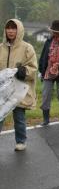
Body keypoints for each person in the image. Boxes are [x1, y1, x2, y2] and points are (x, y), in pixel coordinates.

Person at [0, 19, 37, 151]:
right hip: (3, 90)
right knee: (0, 115)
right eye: (8, 28)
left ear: (19, 30)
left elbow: (33, 69)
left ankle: (21, 141)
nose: (10, 31)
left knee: (19, 115)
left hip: (18, 89)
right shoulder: (1, 48)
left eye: (13, 28)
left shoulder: (27, 48)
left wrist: (24, 72)